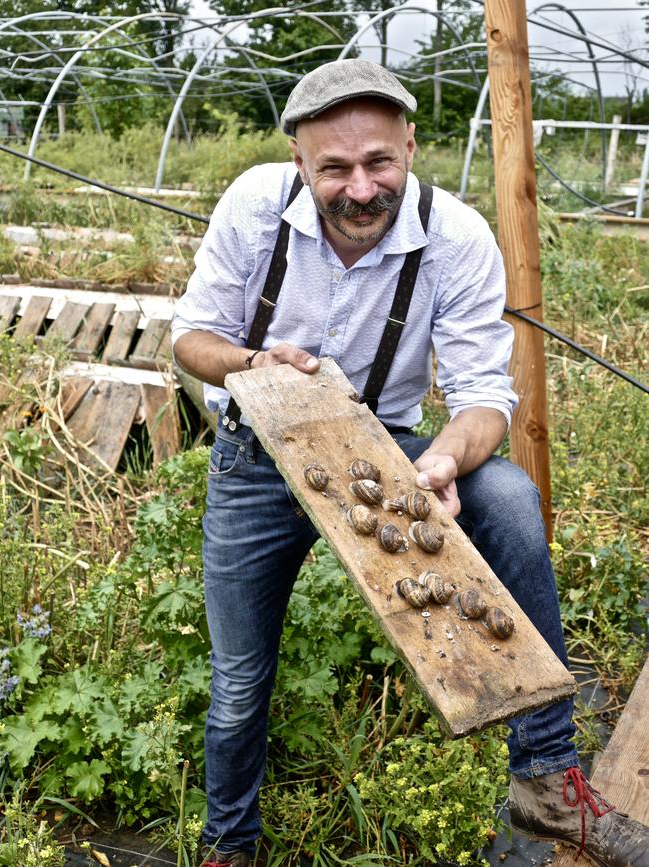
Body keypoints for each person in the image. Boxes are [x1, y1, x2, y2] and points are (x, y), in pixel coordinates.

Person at [172, 59, 649, 867]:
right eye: (335, 168)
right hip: (258, 455)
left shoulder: (455, 236)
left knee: (504, 494)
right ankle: (230, 840)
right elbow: (190, 336)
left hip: (387, 447)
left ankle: (543, 779)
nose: (361, 189)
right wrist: (252, 363)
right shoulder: (253, 207)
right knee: (240, 680)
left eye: (379, 162)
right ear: (299, 163)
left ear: (412, 146)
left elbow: (482, 400)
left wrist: (444, 463)